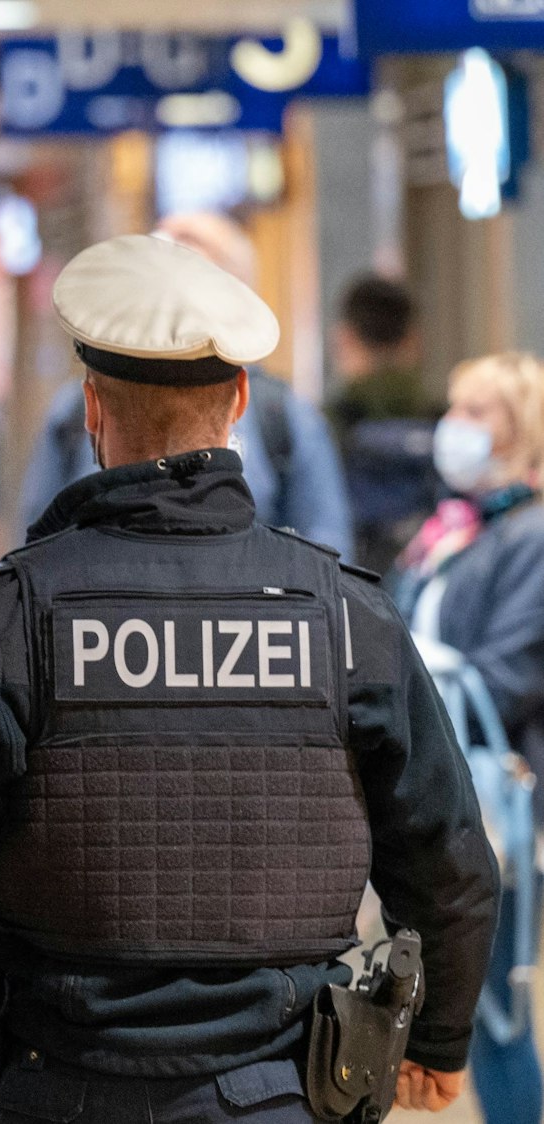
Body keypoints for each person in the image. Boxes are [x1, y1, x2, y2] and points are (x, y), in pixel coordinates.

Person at [0, 234, 497, 1124]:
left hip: (61, 1086)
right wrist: (439, 1040)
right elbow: (448, 857)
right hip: (284, 1090)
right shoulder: (344, 615)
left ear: (89, 407)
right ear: (236, 401)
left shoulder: (5, 617)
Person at [392, 352, 544, 1124]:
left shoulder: (532, 533)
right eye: (455, 407)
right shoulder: (450, 528)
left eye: (478, 411)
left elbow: (506, 675)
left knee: (495, 1017)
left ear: (520, 428)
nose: (456, 427)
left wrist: (406, 710)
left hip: (491, 797)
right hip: (437, 791)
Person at [19, 212, 354, 559]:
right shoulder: (75, 408)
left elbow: (327, 557)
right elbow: (38, 547)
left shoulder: (285, 418)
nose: (171, 312)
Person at [330, 274, 440, 572]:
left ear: (345, 339)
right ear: (413, 340)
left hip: (354, 584)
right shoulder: (445, 421)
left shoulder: (326, 425)